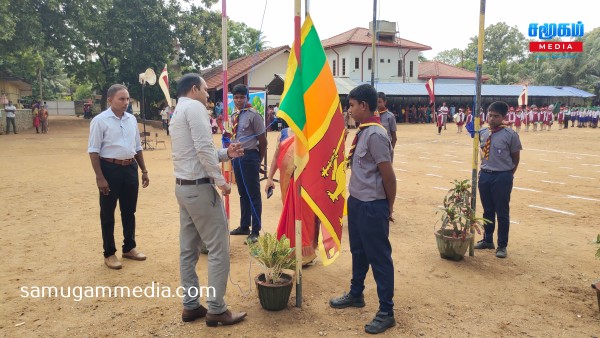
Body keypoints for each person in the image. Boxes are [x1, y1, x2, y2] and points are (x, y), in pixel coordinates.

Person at [169, 73, 247, 326]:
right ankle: (216, 308)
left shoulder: (179, 110)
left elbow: (197, 150)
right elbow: (202, 149)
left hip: (184, 187)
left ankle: (191, 305)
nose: (207, 95)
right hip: (200, 189)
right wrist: (221, 181)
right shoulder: (195, 108)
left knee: (188, 250)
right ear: (194, 89)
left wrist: (225, 153)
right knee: (218, 249)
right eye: (205, 89)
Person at [329, 84, 396, 334]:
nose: (350, 110)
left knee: (379, 257)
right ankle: (356, 294)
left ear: (364, 106)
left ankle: (386, 311)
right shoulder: (362, 133)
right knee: (358, 251)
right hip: (357, 201)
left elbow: (389, 177)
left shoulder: (376, 135)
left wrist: (387, 207)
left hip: (372, 205)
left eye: (352, 105)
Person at [88, 84, 150, 270]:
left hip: (130, 168)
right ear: (110, 100)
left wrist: (144, 170)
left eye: (127, 99)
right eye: (121, 99)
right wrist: (100, 177)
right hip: (110, 169)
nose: (126, 102)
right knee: (108, 213)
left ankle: (129, 247)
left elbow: (137, 147)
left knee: (129, 211)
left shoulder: (131, 119)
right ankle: (109, 253)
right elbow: (93, 151)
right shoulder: (100, 121)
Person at [474, 101, 522, 259]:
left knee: (502, 212)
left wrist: (507, 175)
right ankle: (488, 240)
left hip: (502, 176)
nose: (492, 118)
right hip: (485, 175)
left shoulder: (511, 135)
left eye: (496, 116)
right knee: (487, 210)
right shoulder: (482, 132)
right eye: (490, 115)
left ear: (503, 117)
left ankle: (502, 245)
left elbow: (515, 158)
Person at [228, 84, 267, 243]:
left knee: (253, 195)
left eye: (241, 97)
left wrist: (258, 161)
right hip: (237, 158)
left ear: (247, 98)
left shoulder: (254, 115)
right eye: (236, 97)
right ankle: (245, 226)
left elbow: (263, 141)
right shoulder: (234, 114)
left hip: (250, 157)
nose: (238, 100)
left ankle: (256, 231)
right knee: (242, 193)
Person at [377, 92, 397, 160]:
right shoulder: (372, 116)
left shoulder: (390, 116)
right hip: (375, 149)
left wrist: (390, 151)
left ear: (385, 102)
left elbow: (394, 137)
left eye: (380, 102)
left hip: (386, 149)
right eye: (376, 102)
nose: (378, 104)